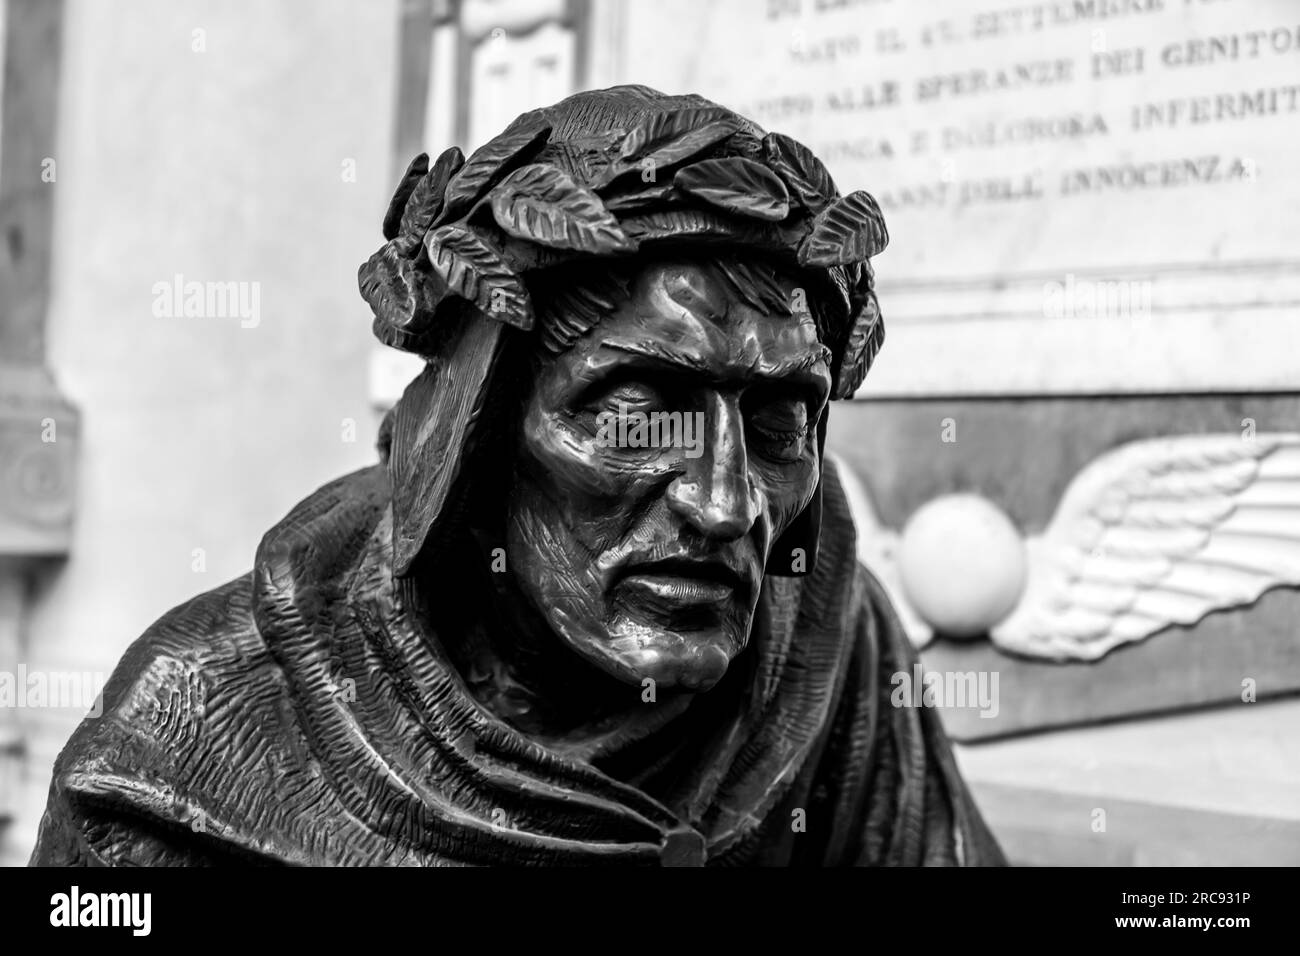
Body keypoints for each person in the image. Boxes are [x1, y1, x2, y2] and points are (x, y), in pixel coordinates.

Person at [30, 85, 1004, 866]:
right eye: (634, 413)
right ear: (477, 433)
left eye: (776, 420)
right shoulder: (184, 750)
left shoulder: (831, 650)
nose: (721, 502)